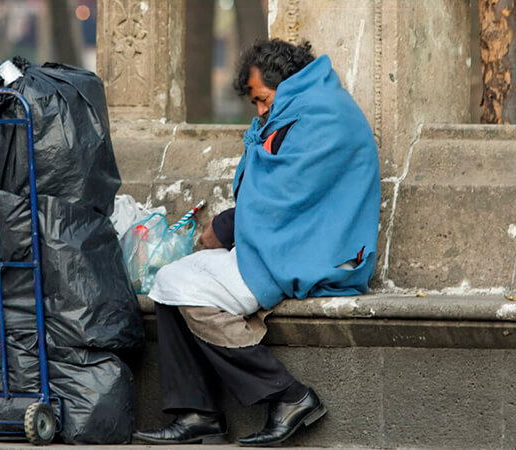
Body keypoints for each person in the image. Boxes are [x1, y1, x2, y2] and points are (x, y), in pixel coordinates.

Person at [132, 38, 381, 447]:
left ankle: (288, 395)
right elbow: (277, 190)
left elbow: (288, 194)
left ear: (286, 83)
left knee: (180, 286)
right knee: (169, 281)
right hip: (288, 243)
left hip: (317, 253)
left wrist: (225, 228)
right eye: (256, 105)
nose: (261, 111)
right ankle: (197, 414)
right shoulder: (305, 108)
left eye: (264, 100)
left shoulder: (323, 115)